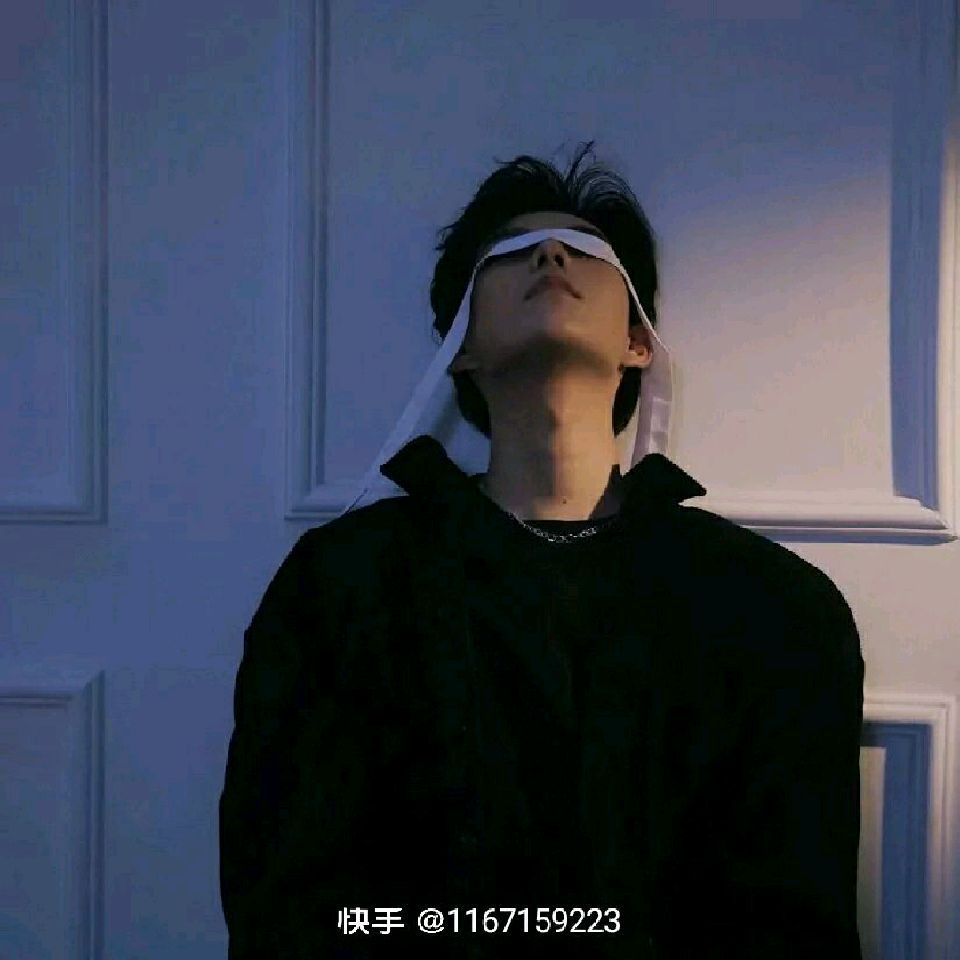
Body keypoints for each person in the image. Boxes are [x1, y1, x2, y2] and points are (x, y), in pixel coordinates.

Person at [219, 141, 865, 959]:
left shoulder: (773, 609)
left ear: (638, 341)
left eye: (586, 250)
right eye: (512, 251)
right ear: (461, 345)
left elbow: (794, 922)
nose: (552, 256)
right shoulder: (342, 588)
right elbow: (291, 905)